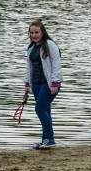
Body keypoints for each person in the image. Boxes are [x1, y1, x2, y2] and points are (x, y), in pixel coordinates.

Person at [24, 19, 63, 150]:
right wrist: (27, 83)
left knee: (39, 109)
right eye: (32, 33)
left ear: (42, 32)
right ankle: (45, 140)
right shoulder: (31, 47)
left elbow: (57, 64)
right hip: (36, 84)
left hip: (49, 83)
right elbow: (28, 67)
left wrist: (55, 83)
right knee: (45, 110)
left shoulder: (50, 45)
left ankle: (50, 139)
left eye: (37, 32)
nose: (34, 35)